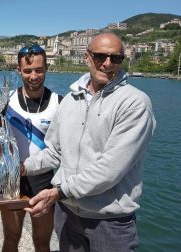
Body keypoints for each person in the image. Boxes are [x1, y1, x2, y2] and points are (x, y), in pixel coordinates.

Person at [21, 32, 156, 252]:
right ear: (87, 57)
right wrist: (23, 168)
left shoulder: (134, 104)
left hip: (110, 222)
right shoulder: (70, 100)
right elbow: (55, 151)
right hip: (66, 214)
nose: (107, 64)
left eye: (116, 58)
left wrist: (58, 192)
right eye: (100, 57)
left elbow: (110, 169)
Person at [2, 45, 62, 252]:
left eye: (39, 70)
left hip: (44, 181)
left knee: (42, 241)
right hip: (12, 180)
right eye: (27, 71)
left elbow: (62, 150)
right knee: (11, 237)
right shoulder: (4, 101)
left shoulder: (59, 103)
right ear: (19, 70)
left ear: (47, 69)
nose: (33, 76)